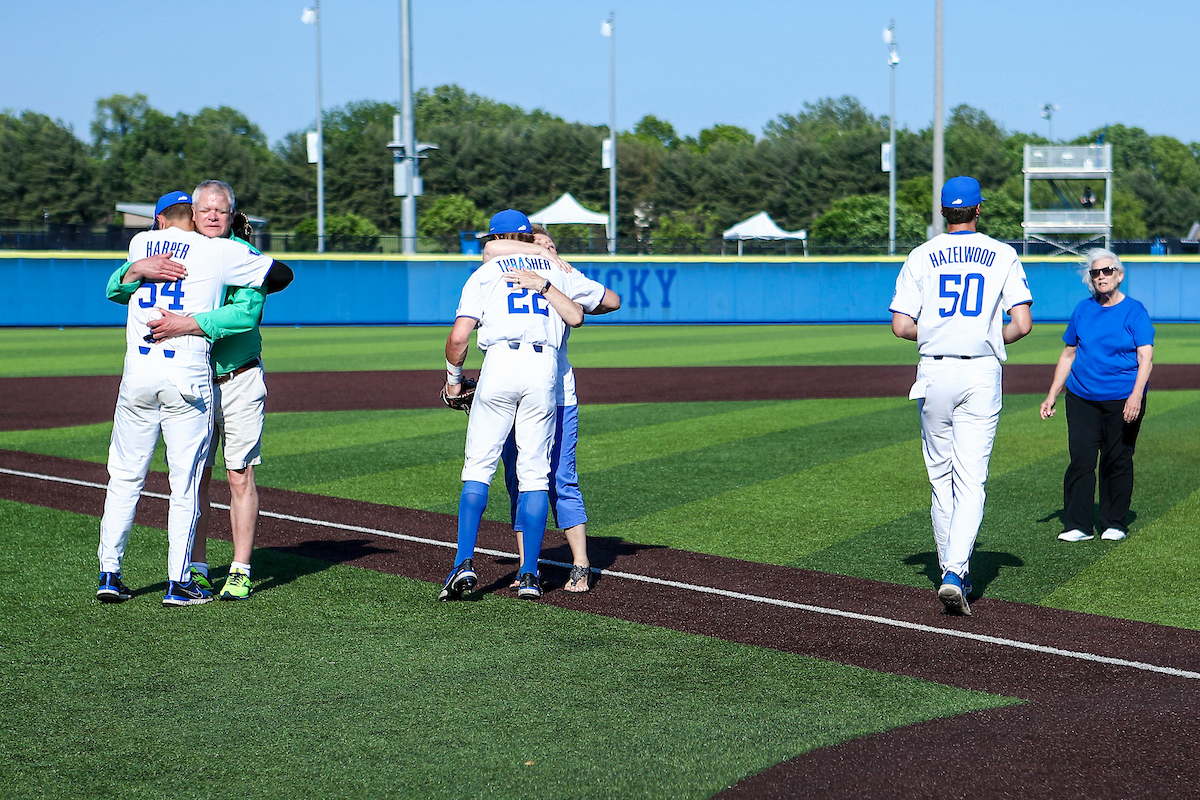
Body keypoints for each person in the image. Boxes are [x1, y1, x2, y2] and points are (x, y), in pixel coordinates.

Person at [106, 180, 292, 601]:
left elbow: (246, 314)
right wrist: (134, 270)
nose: (211, 216)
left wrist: (189, 323)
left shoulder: (240, 254)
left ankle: (241, 568)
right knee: (196, 478)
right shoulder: (176, 251)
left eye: (220, 211)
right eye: (204, 209)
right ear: (192, 213)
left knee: (240, 474)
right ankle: (199, 566)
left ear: (231, 215)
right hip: (194, 382)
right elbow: (116, 290)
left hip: (237, 376)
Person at [889, 176, 1033, 616]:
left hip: (934, 370)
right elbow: (1022, 324)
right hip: (980, 372)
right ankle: (956, 571)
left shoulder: (921, 254)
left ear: (942, 210)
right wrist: (990, 337)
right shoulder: (1003, 253)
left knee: (940, 479)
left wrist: (937, 331)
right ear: (978, 209)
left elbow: (900, 326)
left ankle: (950, 568)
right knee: (971, 479)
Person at [439, 209, 600, 602]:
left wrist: (453, 381)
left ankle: (463, 563)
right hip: (544, 371)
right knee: (533, 474)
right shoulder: (555, 270)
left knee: (478, 467)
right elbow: (596, 305)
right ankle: (529, 575)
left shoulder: (485, 272)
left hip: (501, 364)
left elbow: (459, 338)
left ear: (493, 237)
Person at [486, 226, 620, 593]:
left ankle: (581, 564)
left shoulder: (559, 274)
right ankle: (527, 567)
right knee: (518, 481)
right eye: (541, 243)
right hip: (517, 391)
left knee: (561, 479)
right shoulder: (502, 271)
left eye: (552, 245)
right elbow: (491, 247)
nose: (548, 249)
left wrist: (565, 275)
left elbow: (611, 300)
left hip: (558, 393)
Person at [1039, 250, 1153, 542]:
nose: (1101, 276)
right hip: (1081, 397)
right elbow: (1069, 353)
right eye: (1095, 273)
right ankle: (1077, 525)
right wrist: (1052, 394)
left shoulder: (1135, 311)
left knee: (1117, 459)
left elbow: (1145, 358)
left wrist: (1136, 396)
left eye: (1107, 271)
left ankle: (1114, 522)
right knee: (1081, 459)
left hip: (1122, 397)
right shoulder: (1082, 310)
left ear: (1119, 274)